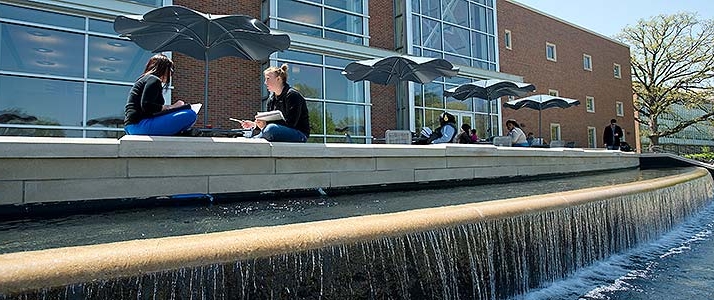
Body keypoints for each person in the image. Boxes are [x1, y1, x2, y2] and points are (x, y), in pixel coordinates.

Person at [124, 54, 197, 135]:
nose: (171, 74)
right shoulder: (154, 80)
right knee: (190, 114)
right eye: (171, 71)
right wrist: (173, 107)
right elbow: (147, 106)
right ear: (164, 69)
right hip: (140, 125)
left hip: (132, 126)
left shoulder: (146, 80)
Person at [239, 64, 310, 142]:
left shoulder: (292, 95)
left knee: (270, 129)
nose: (265, 83)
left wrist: (266, 124)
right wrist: (254, 125)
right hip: (277, 131)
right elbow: (269, 121)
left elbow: (291, 123)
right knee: (269, 129)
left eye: (268, 79)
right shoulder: (271, 99)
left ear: (278, 79)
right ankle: (254, 139)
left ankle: (254, 139)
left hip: (299, 134)